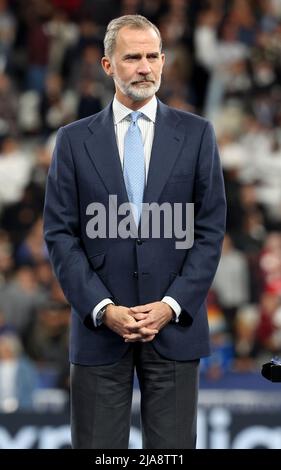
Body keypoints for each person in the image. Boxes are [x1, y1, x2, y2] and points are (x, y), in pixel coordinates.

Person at [43, 14, 226, 449]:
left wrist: (171, 304)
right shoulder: (72, 141)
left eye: (152, 56)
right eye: (132, 57)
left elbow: (210, 230)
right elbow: (61, 234)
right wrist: (103, 308)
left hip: (175, 328)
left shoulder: (199, 135)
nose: (145, 67)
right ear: (108, 66)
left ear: (164, 61)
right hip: (99, 331)